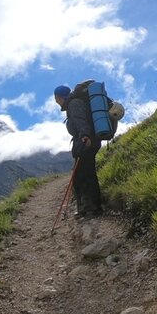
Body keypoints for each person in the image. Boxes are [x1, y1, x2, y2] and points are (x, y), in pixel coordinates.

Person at [54, 83, 103, 218]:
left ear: (59, 97)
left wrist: (84, 136)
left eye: (56, 99)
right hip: (88, 140)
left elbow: (81, 121)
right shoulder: (76, 102)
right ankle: (87, 208)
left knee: (83, 175)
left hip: (85, 141)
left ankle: (91, 209)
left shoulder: (74, 103)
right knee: (85, 174)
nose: (57, 102)